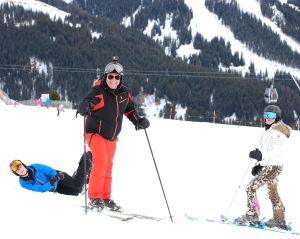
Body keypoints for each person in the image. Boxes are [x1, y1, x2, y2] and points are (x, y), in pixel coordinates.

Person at [77, 56, 150, 211]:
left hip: (111, 137)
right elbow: (89, 101)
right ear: (105, 76)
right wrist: (85, 106)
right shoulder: (98, 91)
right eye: (110, 77)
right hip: (94, 133)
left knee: (108, 167)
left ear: (120, 78)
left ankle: (105, 197)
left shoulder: (124, 94)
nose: (113, 80)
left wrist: (138, 121)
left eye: (117, 77)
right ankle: (95, 198)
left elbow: (129, 110)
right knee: (101, 163)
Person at [236, 105, 292, 229]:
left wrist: (261, 156)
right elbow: (266, 151)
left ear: (277, 117)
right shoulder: (267, 130)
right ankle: (279, 220)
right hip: (269, 165)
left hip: (274, 166)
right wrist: (260, 165)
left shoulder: (277, 131)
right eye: (266, 115)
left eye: (271, 116)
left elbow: (276, 151)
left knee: (250, 187)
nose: (268, 118)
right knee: (272, 192)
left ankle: (252, 215)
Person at [10, 151, 93, 196]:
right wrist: (51, 182)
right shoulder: (23, 183)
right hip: (54, 187)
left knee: (77, 184)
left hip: (59, 176)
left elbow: (50, 171)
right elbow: (40, 189)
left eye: (20, 167)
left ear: (23, 165)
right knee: (77, 192)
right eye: (17, 170)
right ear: (17, 174)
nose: (21, 170)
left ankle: (86, 159)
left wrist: (55, 177)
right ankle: (78, 175)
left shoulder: (35, 167)